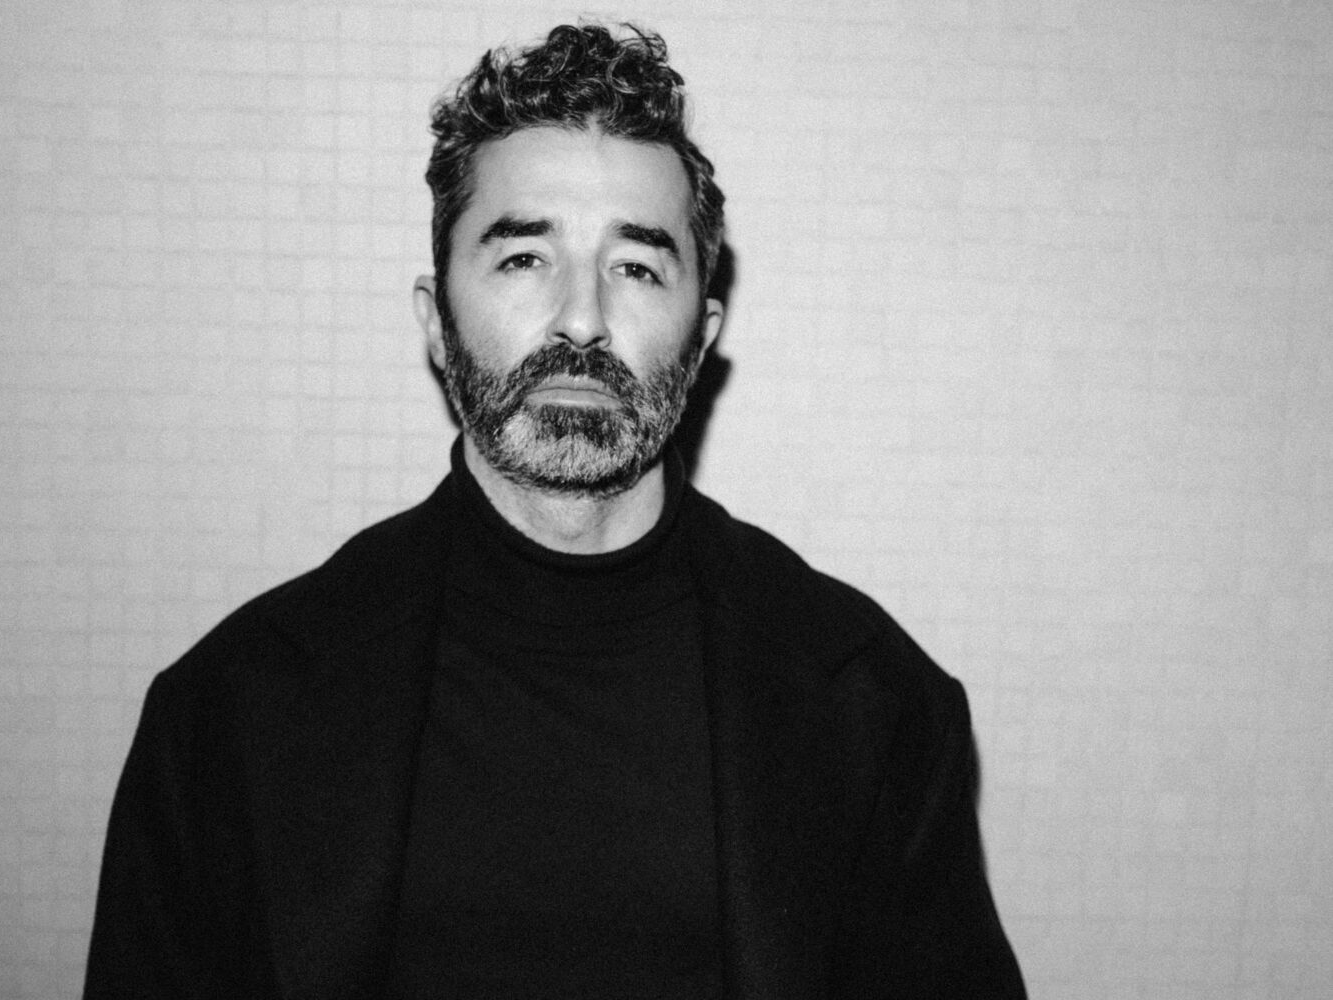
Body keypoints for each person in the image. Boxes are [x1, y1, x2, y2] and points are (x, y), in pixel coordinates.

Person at [83, 22, 1026, 999]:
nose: (581, 319)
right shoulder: (227, 711)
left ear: (702, 336)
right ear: (436, 323)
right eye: (525, 258)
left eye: (636, 267)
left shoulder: (876, 706)